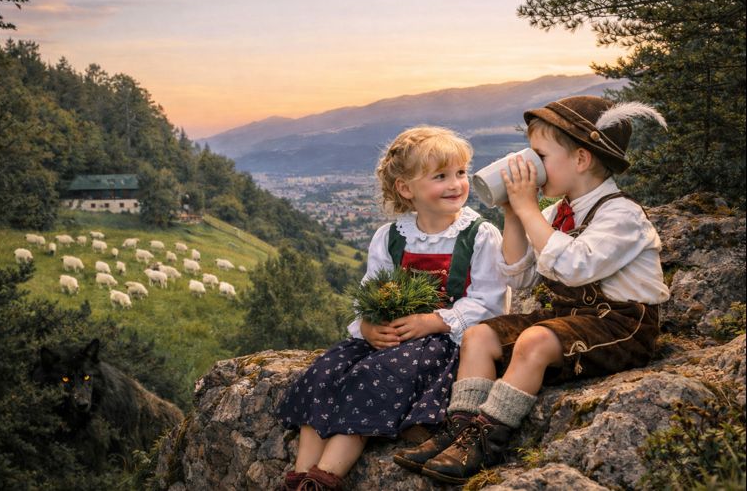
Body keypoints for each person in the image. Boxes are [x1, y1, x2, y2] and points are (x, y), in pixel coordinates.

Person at [393, 96, 671, 485]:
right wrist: (512, 212)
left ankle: (485, 440)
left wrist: (527, 211)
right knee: (479, 335)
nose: (532, 165)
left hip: (623, 325)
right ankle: (457, 430)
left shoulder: (621, 213)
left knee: (535, 340)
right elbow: (519, 275)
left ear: (580, 159)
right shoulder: (557, 212)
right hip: (573, 320)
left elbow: (575, 267)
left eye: (540, 155)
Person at [275, 126, 510, 490]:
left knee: (372, 378)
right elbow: (370, 291)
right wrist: (368, 327)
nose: (456, 184)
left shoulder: (478, 235)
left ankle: (324, 478)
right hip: (392, 335)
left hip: (441, 342)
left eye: (461, 173)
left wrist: (433, 321)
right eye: (440, 176)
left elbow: (490, 302)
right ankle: (301, 476)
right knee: (325, 372)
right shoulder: (390, 236)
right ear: (405, 188)